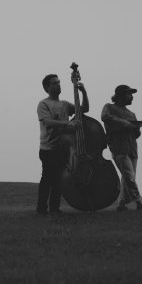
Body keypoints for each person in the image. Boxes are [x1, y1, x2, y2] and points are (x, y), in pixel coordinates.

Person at [36, 74, 89, 215]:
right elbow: (47, 122)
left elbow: (84, 109)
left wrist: (83, 92)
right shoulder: (43, 104)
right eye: (54, 83)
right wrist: (68, 123)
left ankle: (54, 208)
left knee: (59, 179)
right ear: (47, 88)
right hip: (48, 148)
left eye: (58, 82)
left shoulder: (65, 104)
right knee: (47, 179)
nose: (58, 85)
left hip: (63, 147)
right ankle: (41, 209)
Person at [101, 85, 142, 212]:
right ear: (120, 95)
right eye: (129, 94)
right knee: (129, 177)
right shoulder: (109, 107)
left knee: (127, 177)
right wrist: (125, 124)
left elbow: (136, 135)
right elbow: (105, 117)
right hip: (118, 148)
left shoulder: (132, 114)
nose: (132, 97)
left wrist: (136, 128)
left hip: (132, 149)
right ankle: (139, 202)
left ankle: (121, 204)